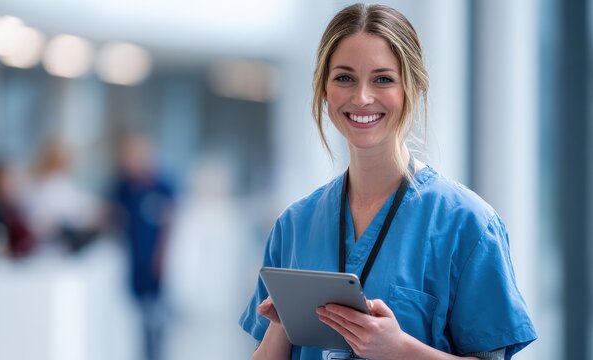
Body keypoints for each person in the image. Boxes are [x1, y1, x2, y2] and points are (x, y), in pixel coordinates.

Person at [239, 4, 537, 360]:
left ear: (414, 87)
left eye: (383, 79)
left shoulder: (468, 225)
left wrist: (399, 349)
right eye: (344, 78)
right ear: (323, 90)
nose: (362, 97)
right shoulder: (295, 225)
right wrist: (284, 321)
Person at [110, 134, 176, 360]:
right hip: (134, 262)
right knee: (136, 319)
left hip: (156, 261)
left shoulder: (163, 185)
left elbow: (171, 223)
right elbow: (113, 214)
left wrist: (162, 256)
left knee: (157, 317)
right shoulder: (125, 187)